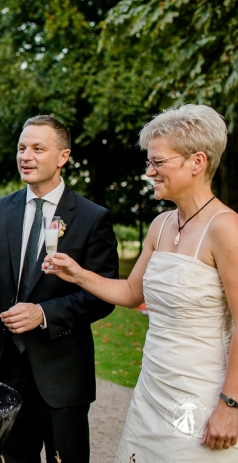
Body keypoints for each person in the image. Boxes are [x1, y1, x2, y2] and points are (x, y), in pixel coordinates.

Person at [45, 105, 238, 460]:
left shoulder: (226, 228)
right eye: (149, 162)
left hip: (202, 394)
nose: (149, 172)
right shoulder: (160, 225)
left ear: (196, 162)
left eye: (158, 163)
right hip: (152, 387)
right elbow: (133, 293)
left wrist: (230, 405)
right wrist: (78, 274)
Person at [0, 115, 118, 463]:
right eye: (22, 148)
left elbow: (100, 296)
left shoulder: (91, 218)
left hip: (61, 375)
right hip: (0, 368)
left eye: (38, 149)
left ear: (63, 156)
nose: (26, 156)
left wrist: (43, 314)